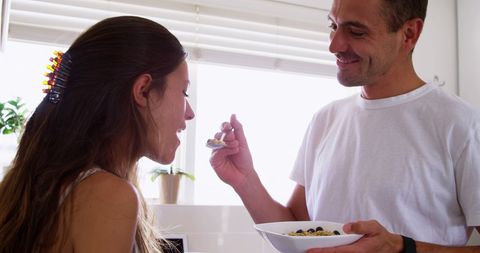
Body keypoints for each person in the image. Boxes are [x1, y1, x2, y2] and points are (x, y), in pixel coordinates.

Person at [209, 0, 480, 252]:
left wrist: (402, 248)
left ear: (408, 34)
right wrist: (245, 180)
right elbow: (296, 229)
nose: (334, 45)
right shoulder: (325, 120)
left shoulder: (462, 124)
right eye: (333, 26)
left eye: (356, 32)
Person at [0, 16, 194, 253]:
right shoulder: (108, 196)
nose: (190, 113)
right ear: (143, 91)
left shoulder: (38, 187)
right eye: (184, 92)